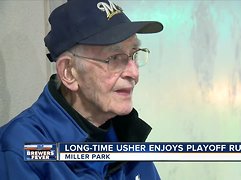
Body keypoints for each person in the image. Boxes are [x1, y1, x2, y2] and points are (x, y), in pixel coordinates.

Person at [0, 0, 163, 179]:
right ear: (69, 72)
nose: (134, 73)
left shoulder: (128, 136)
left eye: (133, 54)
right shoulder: (19, 151)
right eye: (115, 57)